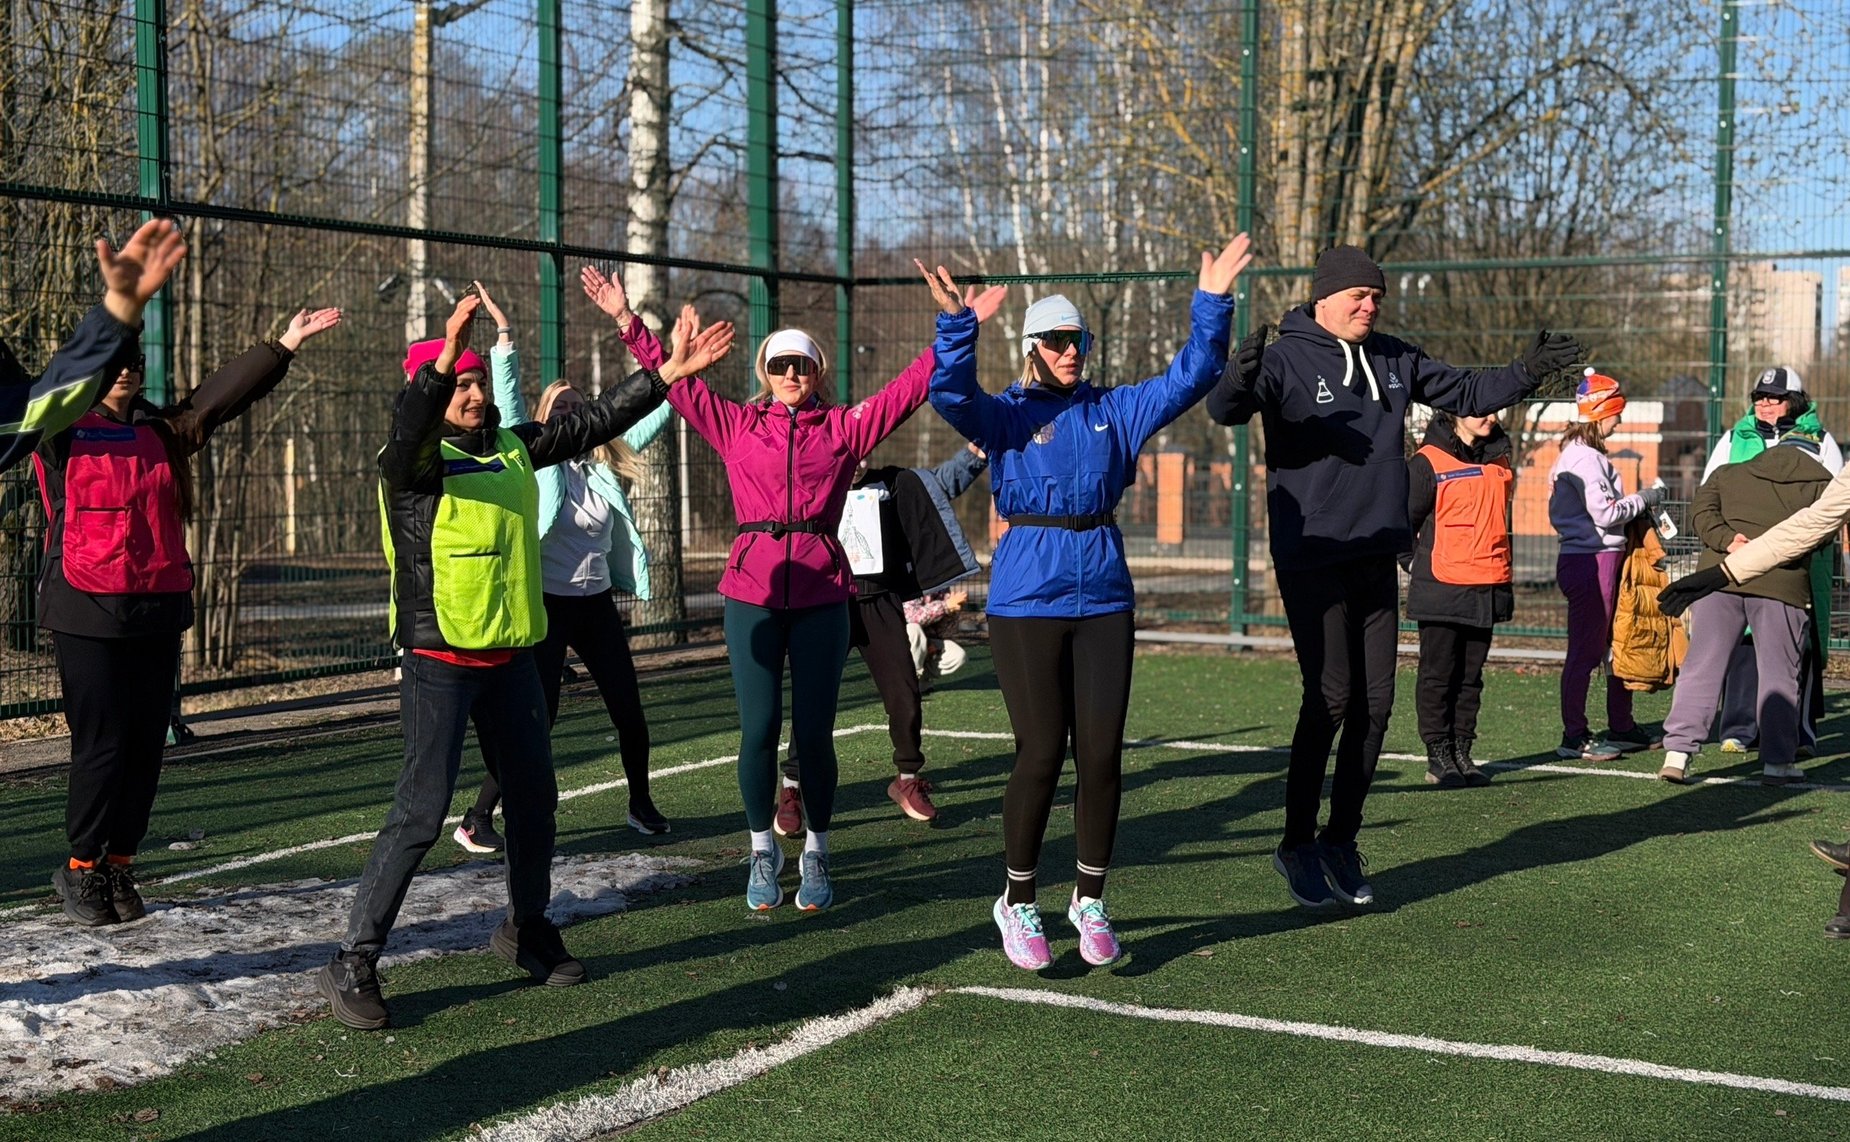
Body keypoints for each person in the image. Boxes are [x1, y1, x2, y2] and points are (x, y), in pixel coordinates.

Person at [318, 290, 732, 1030]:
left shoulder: (512, 446)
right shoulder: (410, 464)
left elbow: (597, 421)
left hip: (512, 656)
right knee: (420, 813)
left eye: (477, 381)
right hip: (439, 658)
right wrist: (441, 361)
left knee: (536, 800)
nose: (473, 393)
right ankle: (354, 958)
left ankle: (527, 928)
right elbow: (411, 420)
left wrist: (665, 373)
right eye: (459, 383)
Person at [589, 264, 1005, 914]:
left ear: (816, 374)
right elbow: (670, 385)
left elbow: (913, 386)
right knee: (758, 731)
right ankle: (763, 850)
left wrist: (956, 325)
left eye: (801, 365)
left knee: (813, 734)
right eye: (779, 364)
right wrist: (625, 321)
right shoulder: (733, 424)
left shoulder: (844, 428)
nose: (790, 374)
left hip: (821, 593)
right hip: (751, 592)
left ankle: (815, 850)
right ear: (764, 371)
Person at [1206, 245, 1580, 911]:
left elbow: (1466, 390)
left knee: (1376, 707)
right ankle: (1295, 843)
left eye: (1377, 297)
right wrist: (1238, 373)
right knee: (1331, 699)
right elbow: (1226, 410)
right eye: (1359, 296)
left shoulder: (1393, 356)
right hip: (1312, 554)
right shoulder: (1287, 354)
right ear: (1324, 298)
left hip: (1375, 555)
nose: (1370, 306)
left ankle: (1339, 840)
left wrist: (1526, 372)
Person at [928, 234, 1250, 970]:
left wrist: (1212, 303)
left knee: (1101, 754)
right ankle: (1016, 901)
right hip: (1025, 599)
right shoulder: (1005, 416)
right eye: (1058, 341)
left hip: (1105, 594)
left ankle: (1091, 897)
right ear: (1035, 348)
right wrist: (955, 328)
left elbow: (1194, 373)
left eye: (1080, 340)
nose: (1073, 351)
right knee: (1042, 753)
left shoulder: (1118, 409)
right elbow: (949, 394)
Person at [37, 296, 341, 927]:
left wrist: (281, 345)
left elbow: (219, 398)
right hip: (85, 609)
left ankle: (120, 861)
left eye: (132, 360)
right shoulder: (60, 430)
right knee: (103, 742)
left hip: (157, 606)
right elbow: (27, 391)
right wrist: (107, 323)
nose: (123, 370)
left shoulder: (162, 430)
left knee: (147, 743)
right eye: (110, 359)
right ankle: (82, 868)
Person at [450, 280, 676, 856]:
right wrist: (504, 338)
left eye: (581, 407)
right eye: (563, 408)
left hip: (596, 605)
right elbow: (509, 395)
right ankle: (478, 817)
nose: (575, 413)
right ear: (547, 417)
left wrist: (678, 364)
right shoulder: (532, 460)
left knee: (629, 706)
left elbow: (656, 406)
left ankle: (641, 804)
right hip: (546, 605)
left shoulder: (604, 465)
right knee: (537, 718)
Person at [774, 443, 988, 834]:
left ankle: (907, 779)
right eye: (843, 453)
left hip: (881, 605)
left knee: (904, 694)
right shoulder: (810, 486)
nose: (855, 461)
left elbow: (942, 482)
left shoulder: (894, 483)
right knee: (813, 698)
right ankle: (792, 789)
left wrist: (973, 454)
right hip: (827, 603)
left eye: (861, 452)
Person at [1657, 430, 1830, 785]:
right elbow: (1821, 533)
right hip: (1782, 585)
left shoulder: (1729, 472)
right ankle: (1778, 763)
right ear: (1816, 454)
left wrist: (1727, 541)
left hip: (1720, 578)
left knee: (1702, 666)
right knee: (1780, 673)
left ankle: (1678, 753)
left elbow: (1700, 513)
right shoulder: (1822, 483)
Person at [1697, 366, 1839, 757]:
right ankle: (1739, 728)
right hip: (1742, 555)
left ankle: (1801, 732)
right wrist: (1728, 539)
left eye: (1773, 398)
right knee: (1742, 643)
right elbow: (1710, 488)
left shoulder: (1821, 441)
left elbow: (1833, 504)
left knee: (1798, 645)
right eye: (1759, 398)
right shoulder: (1733, 438)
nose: (1764, 404)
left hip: (1797, 562)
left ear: (1794, 401)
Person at [0, 219, 188, 475]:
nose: (126, 373)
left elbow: (41, 404)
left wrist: (120, 309)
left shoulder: (154, 425)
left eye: (133, 366)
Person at [1549, 368, 1668, 763]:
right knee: (1586, 650)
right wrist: (1647, 498)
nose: (1620, 420)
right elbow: (1606, 512)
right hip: (1591, 560)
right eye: (1616, 412)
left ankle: (1622, 725)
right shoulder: (1584, 458)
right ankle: (1574, 736)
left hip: (1598, 558)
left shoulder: (1585, 455)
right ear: (1600, 413)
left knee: (1619, 640)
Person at [1403, 408, 1515, 789]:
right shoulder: (1427, 461)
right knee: (1438, 675)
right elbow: (1404, 522)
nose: (1493, 417)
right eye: (1482, 410)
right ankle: (1438, 756)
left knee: (1470, 678)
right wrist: (1414, 564)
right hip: (1442, 586)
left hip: (1486, 583)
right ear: (1455, 415)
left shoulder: (1500, 458)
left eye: (1496, 409)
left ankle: (1463, 752)